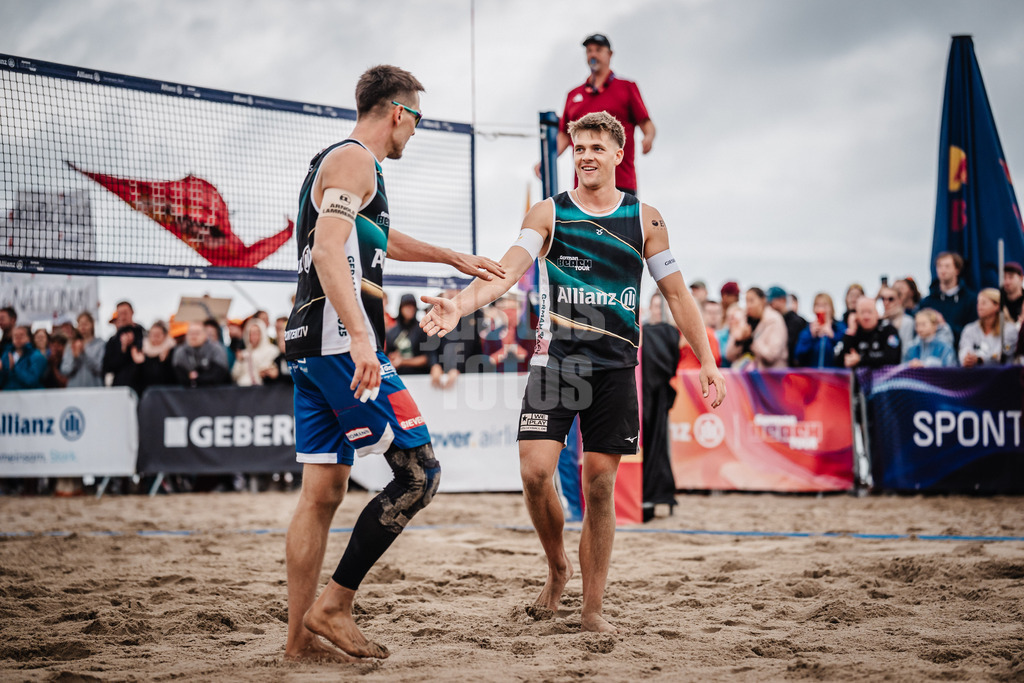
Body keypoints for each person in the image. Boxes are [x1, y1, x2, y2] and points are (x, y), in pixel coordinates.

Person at [421, 111, 725, 633]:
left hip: (614, 368)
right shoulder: (549, 213)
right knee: (536, 473)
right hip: (558, 363)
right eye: (579, 147)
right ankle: (558, 567)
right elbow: (507, 270)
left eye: (596, 148)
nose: (585, 155)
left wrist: (707, 360)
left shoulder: (646, 219)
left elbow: (676, 295)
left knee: (600, 488)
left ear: (617, 155)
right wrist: (461, 305)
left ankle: (592, 609)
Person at [281, 65, 505, 663]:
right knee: (418, 474)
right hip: (338, 346)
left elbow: (375, 236)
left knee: (322, 492)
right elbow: (330, 249)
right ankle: (333, 606)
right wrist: (360, 339)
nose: (415, 134)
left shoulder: (345, 167)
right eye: (417, 121)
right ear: (398, 113)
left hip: (306, 345)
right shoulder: (355, 159)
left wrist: (451, 256)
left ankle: (297, 644)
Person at [537, 33, 655, 194]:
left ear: (610, 54)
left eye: (598, 50)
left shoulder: (627, 88)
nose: (593, 54)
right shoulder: (573, 95)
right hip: (584, 186)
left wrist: (648, 136)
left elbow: (646, 122)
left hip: (620, 183)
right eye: (589, 51)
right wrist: (546, 161)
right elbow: (564, 134)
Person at [640, 291, 680, 522]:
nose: (658, 310)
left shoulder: (666, 333)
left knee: (656, 448)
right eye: (655, 306)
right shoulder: (644, 332)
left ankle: (654, 497)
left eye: (661, 306)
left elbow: (668, 365)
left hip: (656, 399)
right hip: (640, 397)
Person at [919, 251, 977, 346]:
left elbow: (974, 332)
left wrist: (944, 325)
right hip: (930, 355)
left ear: (957, 270)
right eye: (940, 266)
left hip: (960, 353)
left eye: (947, 266)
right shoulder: (927, 302)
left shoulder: (970, 300)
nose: (943, 270)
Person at [725, 287, 788, 369]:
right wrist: (738, 341)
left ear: (763, 300)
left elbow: (771, 356)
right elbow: (729, 356)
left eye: (751, 301)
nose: (748, 305)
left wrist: (751, 340)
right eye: (746, 301)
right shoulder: (743, 320)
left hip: (771, 377)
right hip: (746, 377)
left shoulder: (774, 320)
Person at [834, 296, 901, 369]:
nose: (866, 316)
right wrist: (851, 331)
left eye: (869, 312)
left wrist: (860, 360)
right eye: (862, 312)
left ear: (877, 313)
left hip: (886, 378)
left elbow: (892, 358)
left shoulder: (888, 330)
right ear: (856, 315)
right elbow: (837, 360)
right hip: (859, 379)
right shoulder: (854, 332)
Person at [959, 288, 1018, 367]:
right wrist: (966, 358)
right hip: (975, 376)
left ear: (997, 306)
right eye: (978, 303)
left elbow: (1002, 354)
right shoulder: (969, 329)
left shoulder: (1010, 330)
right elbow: (964, 348)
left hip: (1002, 376)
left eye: (983, 303)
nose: (979, 306)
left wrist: (980, 359)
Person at [793, 293, 846, 368]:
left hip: (834, 377)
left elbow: (844, 352)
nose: (821, 309)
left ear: (831, 308)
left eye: (825, 305)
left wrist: (833, 336)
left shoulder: (839, 328)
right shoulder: (807, 331)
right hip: (812, 376)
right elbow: (798, 357)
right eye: (818, 305)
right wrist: (811, 337)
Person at [102, 301, 145, 392]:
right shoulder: (113, 340)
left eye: (125, 313)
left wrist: (135, 346)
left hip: (140, 387)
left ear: (132, 312)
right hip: (120, 387)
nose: (123, 316)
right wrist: (123, 349)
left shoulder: (143, 334)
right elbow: (108, 366)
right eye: (120, 313)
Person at [172, 322, 231, 388]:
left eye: (197, 333)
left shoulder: (216, 349)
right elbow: (179, 375)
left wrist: (197, 378)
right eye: (191, 333)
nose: (193, 336)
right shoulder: (180, 352)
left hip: (216, 392)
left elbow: (218, 374)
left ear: (205, 335)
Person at [384, 293, 430, 375]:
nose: (409, 309)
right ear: (401, 308)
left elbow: (427, 358)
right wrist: (393, 358)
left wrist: (403, 361)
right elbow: (387, 356)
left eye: (412, 306)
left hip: (420, 377)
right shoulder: (392, 332)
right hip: (399, 376)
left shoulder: (423, 329)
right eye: (406, 306)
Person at [231, 317, 280, 386]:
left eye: (256, 333)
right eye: (251, 333)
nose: (253, 336)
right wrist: (240, 361)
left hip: (265, 391)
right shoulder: (244, 353)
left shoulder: (272, 351)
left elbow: (271, 372)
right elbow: (234, 375)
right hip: (245, 390)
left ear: (262, 333)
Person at [61, 312, 105, 388]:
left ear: (92, 325)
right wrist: (75, 358)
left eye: (86, 324)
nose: (83, 327)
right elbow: (65, 371)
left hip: (94, 390)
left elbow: (100, 368)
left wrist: (84, 353)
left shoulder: (100, 344)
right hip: (75, 391)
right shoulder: (70, 345)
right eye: (80, 324)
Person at [132, 320, 178, 393]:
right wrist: (138, 364)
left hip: (166, 395)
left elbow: (174, 379)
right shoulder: (142, 352)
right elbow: (136, 381)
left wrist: (165, 362)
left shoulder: (172, 351)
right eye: (152, 335)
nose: (155, 338)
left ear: (165, 336)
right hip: (147, 395)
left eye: (158, 335)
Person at [766, 286, 806, 368]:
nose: (770, 306)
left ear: (783, 300)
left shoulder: (796, 322)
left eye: (772, 302)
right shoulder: (772, 321)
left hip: (792, 370)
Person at [1, 325, 47, 390]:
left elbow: (31, 380)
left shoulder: (37, 356)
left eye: (21, 335)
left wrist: (14, 367)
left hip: (28, 396)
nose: (18, 338)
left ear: (29, 338)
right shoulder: (7, 355)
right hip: (8, 395)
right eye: (15, 336)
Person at [879, 285, 915, 360]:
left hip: (901, 367)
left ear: (899, 301)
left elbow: (906, 351)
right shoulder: (881, 322)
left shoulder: (907, 321)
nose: (886, 302)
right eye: (883, 299)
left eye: (891, 299)